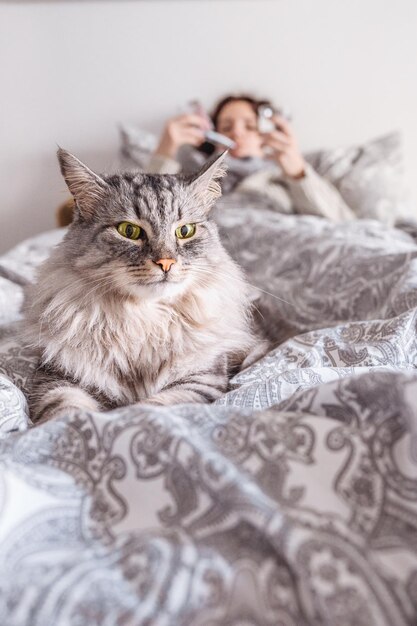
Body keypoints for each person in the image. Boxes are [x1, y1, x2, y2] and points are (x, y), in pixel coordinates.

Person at [146, 94, 355, 222]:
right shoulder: (192, 180)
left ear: (266, 134)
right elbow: (151, 212)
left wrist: (298, 171)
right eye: (226, 127)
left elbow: (344, 225)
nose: (237, 133)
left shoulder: (281, 180)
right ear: (212, 136)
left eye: (250, 126)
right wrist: (166, 150)